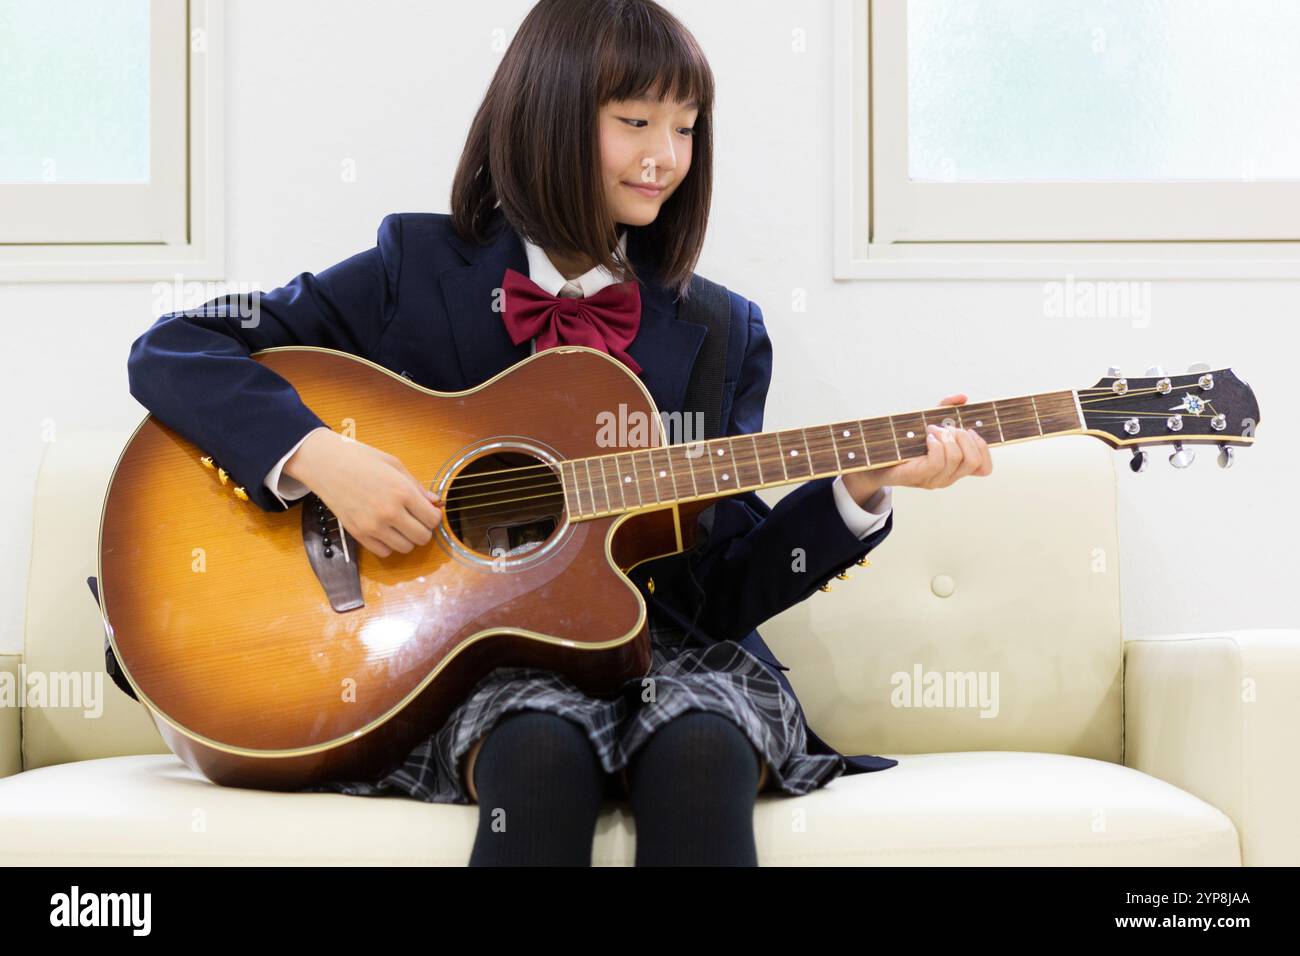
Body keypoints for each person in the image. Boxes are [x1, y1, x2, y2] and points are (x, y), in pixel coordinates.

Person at [124, 0, 992, 866]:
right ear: (550, 115)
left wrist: (859, 491)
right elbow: (173, 347)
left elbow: (721, 591)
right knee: (538, 748)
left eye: (686, 130)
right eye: (635, 122)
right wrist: (319, 457)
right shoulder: (414, 269)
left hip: (669, 657)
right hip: (460, 665)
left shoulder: (722, 332)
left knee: (701, 746)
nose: (666, 157)